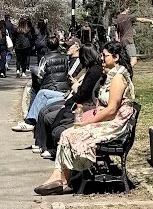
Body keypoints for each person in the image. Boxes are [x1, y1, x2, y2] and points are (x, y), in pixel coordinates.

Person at [35, 41, 136, 194]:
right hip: (108, 120)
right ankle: (59, 178)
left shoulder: (118, 78)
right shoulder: (112, 75)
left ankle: (62, 179)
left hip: (114, 125)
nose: (101, 58)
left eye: (105, 56)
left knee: (71, 133)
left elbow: (111, 110)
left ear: (115, 57)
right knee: (67, 133)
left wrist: (88, 122)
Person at [35, 42, 103, 159]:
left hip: (81, 103)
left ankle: (51, 147)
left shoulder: (94, 71)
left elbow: (83, 92)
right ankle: (42, 145)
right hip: (72, 97)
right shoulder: (90, 69)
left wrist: (71, 97)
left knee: (50, 116)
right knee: (45, 110)